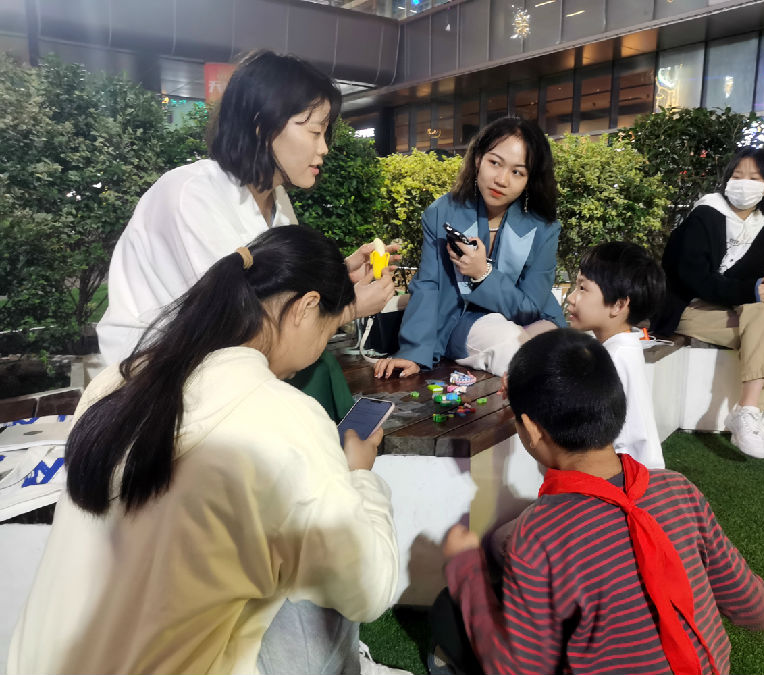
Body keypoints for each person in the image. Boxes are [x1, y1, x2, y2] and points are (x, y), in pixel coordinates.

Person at [8, 227, 399, 675]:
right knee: (320, 565)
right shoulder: (285, 417)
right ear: (306, 307)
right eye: (328, 332)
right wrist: (359, 476)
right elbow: (370, 588)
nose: (320, 347)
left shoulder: (119, 380)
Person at [431, 329, 764, 675]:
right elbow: (757, 611)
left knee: (449, 610)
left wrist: (466, 570)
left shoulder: (539, 536)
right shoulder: (679, 490)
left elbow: (519, 670)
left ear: (532, 430)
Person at [97, 50, 397, 421]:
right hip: (158, 389)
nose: (323, 148)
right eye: (314, 131)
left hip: (222, 376)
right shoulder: (191, 194)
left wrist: (340, 279)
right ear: (262, 125)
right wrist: (348, 309)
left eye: (325, 133)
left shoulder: (276, 199)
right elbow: (245, 325)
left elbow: (278, 295)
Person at [373, 117, 565, 380]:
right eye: (495, 163)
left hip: (531, 320)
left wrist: (483, 274)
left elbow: (530, 307)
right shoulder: (442, 212)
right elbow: (429, 285)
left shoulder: (544, 229)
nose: (501, 180)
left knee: (562, 357)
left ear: (530, 180)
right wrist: (413, 351)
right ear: (478, 159)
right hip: (464, 319)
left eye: (517, 172)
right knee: (511, 347)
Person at [652, 147, 764, 460]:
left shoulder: (762, 229)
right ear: (727, 180)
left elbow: (752, 279)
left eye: (753, 178)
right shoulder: (705, 215)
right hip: (688, 307)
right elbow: (692, 277)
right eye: (737, 175)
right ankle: (750, 415)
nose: (743, 183)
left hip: (724, 309)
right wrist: (751, 291)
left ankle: (747, 411)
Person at [566, 241, 667, 469]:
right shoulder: (624, 349)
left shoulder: (612, 358)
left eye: (583, 288)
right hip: (633, 473)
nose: (572, 297)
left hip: (624, 478)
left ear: (618, 305)